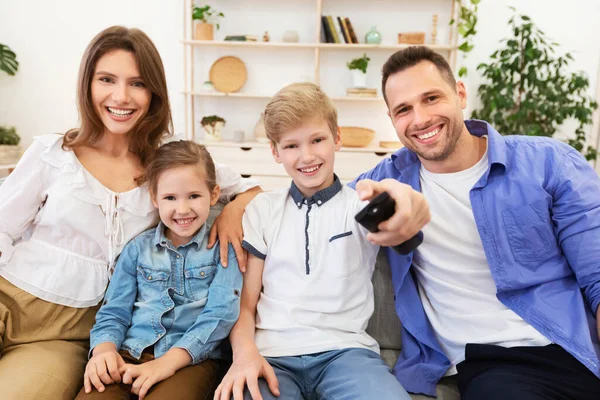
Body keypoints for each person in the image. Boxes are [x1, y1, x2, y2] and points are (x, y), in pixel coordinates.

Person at [0, 26, 259, 400]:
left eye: (137, 83)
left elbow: (248, 190)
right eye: (106, 79)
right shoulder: (52, 153)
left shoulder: (167, 161)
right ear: (88, 85)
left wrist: (233, 211)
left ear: (153, 92)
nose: (120, 96)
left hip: (66, 332)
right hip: (9, 298)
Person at [350, 45, 600, 399]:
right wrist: (242, 201)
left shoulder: (549, 163)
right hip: (493, 365)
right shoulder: (388, 178)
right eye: (404, 109)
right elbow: (318, 204)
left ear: (461, 94)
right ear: (392, 119)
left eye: (432, 98)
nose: (420, 119)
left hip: (575, 352)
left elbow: (598, 277)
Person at [214, 82, 423, 400]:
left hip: (347, 354)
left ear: (336, 138)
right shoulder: (263, 210)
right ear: (275, 151)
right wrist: (244, 355)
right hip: (271, 358)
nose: (307, 156)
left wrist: (401, 208)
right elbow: (246, 305)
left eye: (317, 140)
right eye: (291, 146)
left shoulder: (360, 204)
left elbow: (405, 234)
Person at [75, 141, 243, 400]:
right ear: (155, 198)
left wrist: (166, 364)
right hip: (129, 352)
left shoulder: (223, 247)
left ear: (213, 194)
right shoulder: (137, 250)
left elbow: (220, 315)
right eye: (170, 198)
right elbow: (114, 311)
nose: (183, 209)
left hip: (190, 360)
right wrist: (104, 351)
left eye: (194, 196)